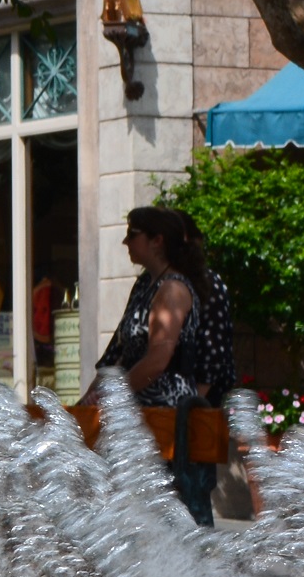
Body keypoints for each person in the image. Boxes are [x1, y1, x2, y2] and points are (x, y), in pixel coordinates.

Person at [98, 204, 235, 526]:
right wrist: (96, 393)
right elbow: (119, 350)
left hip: (166, 416)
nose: (125, 242)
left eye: (132, 234)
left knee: (167, 512)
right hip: (139, 412)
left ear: (157, 241)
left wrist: (114, 396)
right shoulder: (146, 285)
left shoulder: (174, 288)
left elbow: (164, 360)